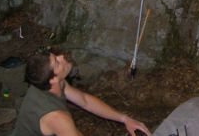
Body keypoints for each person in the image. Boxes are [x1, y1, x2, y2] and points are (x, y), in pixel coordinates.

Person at [11, 51, 151, 136]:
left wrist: (124, 119)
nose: (61, 57)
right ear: (53, 78)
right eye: (57, 62)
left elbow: (84, 100)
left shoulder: (50, 83)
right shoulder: (56, 117)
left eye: (56, 56)